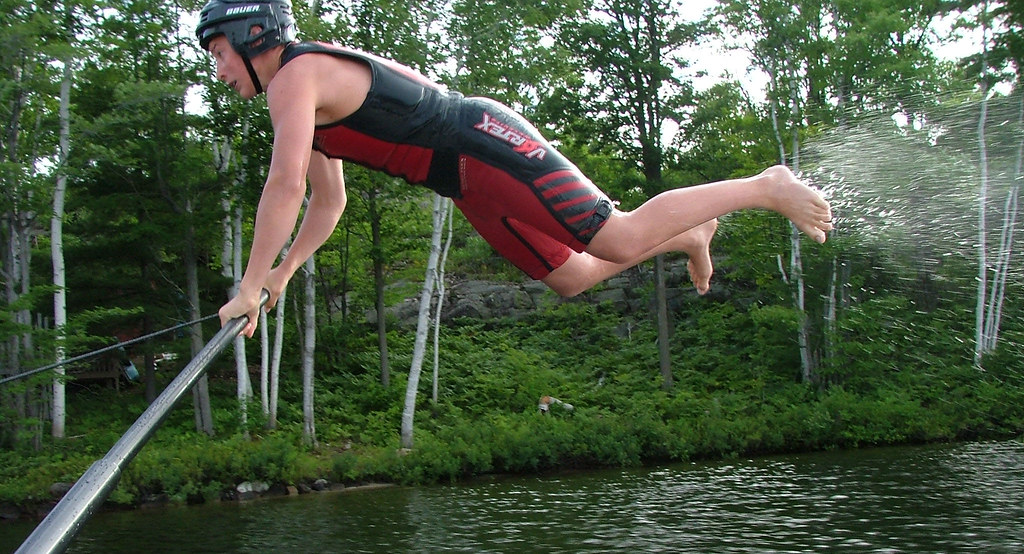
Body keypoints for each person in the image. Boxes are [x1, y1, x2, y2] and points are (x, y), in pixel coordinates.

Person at [198, 0, 833, 338]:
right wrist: (278, 276)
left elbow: (282, 188)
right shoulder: (301, 103)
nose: (219, 70)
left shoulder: (293, 77)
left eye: (220, 52)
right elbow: (323, 201)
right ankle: (691, 233)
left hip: (481, 141)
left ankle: (762, 186)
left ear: (254, 33)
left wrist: (249, 284)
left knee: (619, 235)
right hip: (464, 181)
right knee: (574, 278)